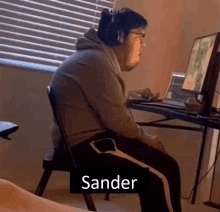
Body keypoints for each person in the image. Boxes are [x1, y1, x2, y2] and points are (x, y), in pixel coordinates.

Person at [50, 8, 182, 212]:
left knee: (161, 165)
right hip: (84, 149)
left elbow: (112, 115)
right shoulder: (95, 62)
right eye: (140, 36)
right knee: (163, 171)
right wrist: (148, 139)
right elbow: (118, 122)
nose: (143, 44)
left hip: (80, 143)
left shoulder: (91, 58)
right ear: (117, 36)